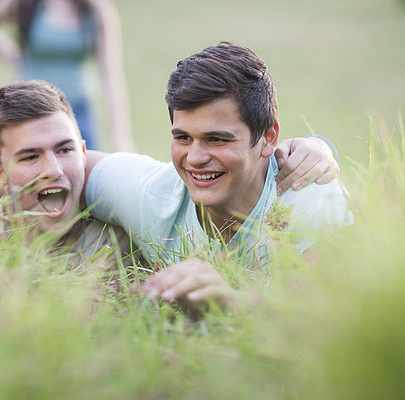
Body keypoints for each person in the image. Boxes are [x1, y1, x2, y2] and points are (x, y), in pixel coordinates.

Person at [84, 42, 352, 313]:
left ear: (268, 138)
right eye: (183, 138)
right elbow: (66, 167)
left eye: (216, 139)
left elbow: (323, 319)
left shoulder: (312, 199)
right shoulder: (152, 194)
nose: (196, 157)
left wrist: (227, 303)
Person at [0, 79, 136, 267]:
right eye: (30, 157)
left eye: (64, 150)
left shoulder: (127, 238)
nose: (54, 170)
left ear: (83, 154)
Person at [0, 0, 134, 152]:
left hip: (78, 110)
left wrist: (121, 138)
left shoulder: (94, 9)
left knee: (84, 172)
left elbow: (111, 76)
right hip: (31, 109)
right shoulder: (27, 4)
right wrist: (16, 59)